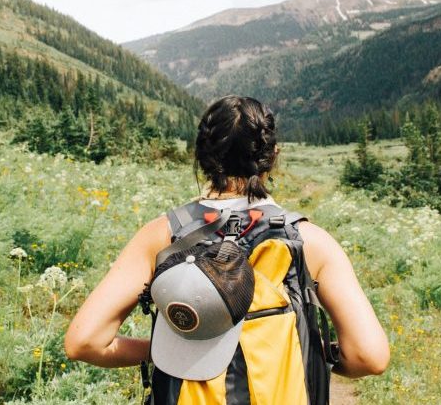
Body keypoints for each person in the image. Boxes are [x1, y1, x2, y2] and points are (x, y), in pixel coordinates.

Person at [64, 95, 389, 402]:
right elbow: (369, 356)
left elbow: (85, 342)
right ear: (272, 156)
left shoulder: (162, 235)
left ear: (202, 158)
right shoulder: (308, 240)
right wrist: (317, 355)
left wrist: (160, 350)